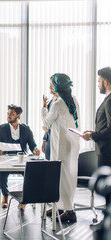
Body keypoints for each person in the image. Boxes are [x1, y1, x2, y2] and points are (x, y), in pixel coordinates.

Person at [41, 73, 80, 223]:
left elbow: (46, 122)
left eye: (52, 84)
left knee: (61, 177)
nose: (50, 86)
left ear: (57, 87)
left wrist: (43, 108)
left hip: (61, 144)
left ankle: (69, 211)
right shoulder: (73, 100)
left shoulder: (58, 104)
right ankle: (62, 207)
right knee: (68, 177)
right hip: (72, 142)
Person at [0, 104, 40, 210]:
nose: (9, 116)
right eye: (8, 113)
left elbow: (32, 145)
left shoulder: (26, 129)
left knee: (30, 176)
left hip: (22, 159)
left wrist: (36, 150)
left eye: (12, 114)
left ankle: (24, 200)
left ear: (18, 116)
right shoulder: (1, 128)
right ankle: (5, 195)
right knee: (1, 174)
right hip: (6, 159)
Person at [81, 67, 111, 168]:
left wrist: (91, 136)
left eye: (99, 81)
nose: (98, 85)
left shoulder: (109, 101)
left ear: (105, 83)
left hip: (106, 152)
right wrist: (94, 133)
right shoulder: (108, 100)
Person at [42, 77, 59, 160]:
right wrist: (44, 140)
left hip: (56, 139)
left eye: (51, 85)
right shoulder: (51, 101)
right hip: (49, 138)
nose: (49, 87)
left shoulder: (60, 102)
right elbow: (47, 122)